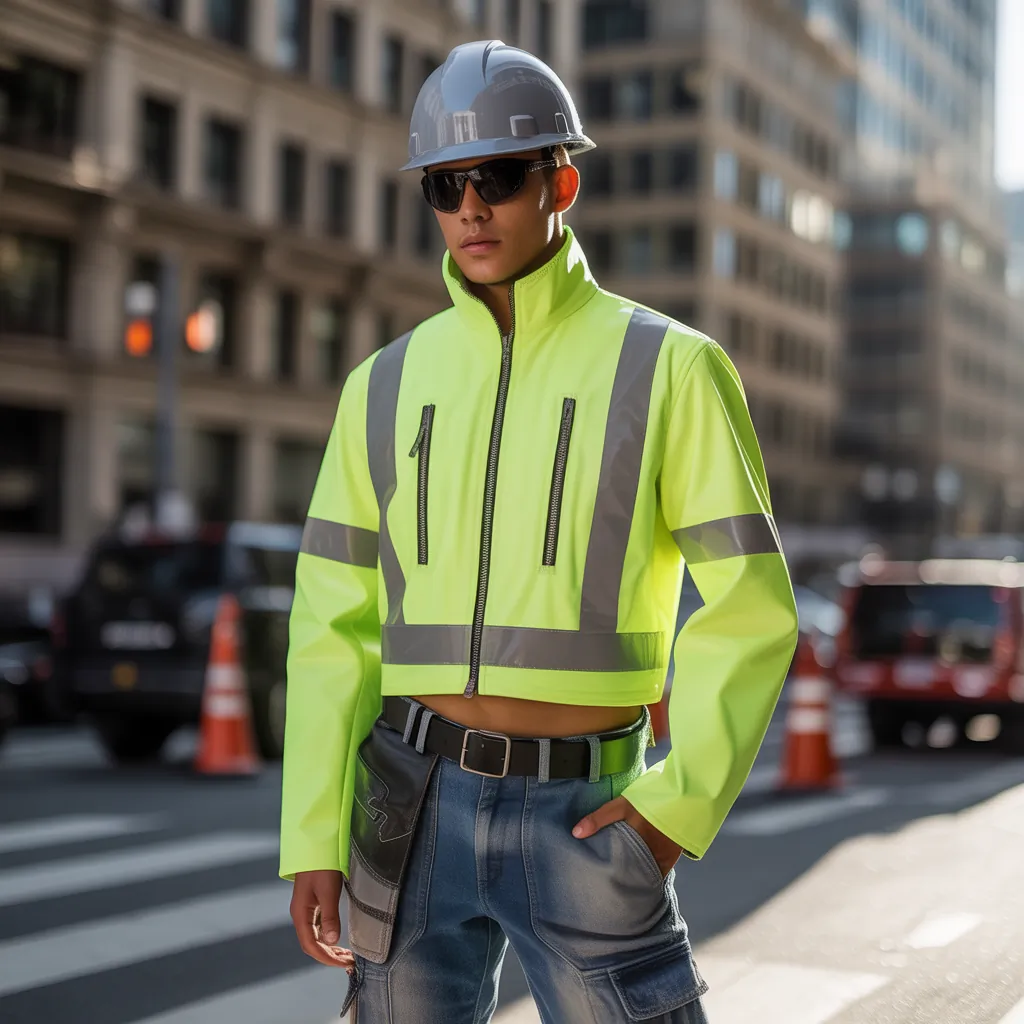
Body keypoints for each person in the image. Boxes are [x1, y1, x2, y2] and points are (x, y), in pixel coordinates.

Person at [281, 40, 799, 1023]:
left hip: (589, 811)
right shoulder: (382, 383)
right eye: (445, 183)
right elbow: (330, 626)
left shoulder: (671, 368)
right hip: (408, 804)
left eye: (499, 176)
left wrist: (671, 812)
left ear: (559, 179)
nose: (470, 206)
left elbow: (753, 609)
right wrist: (313, 832)